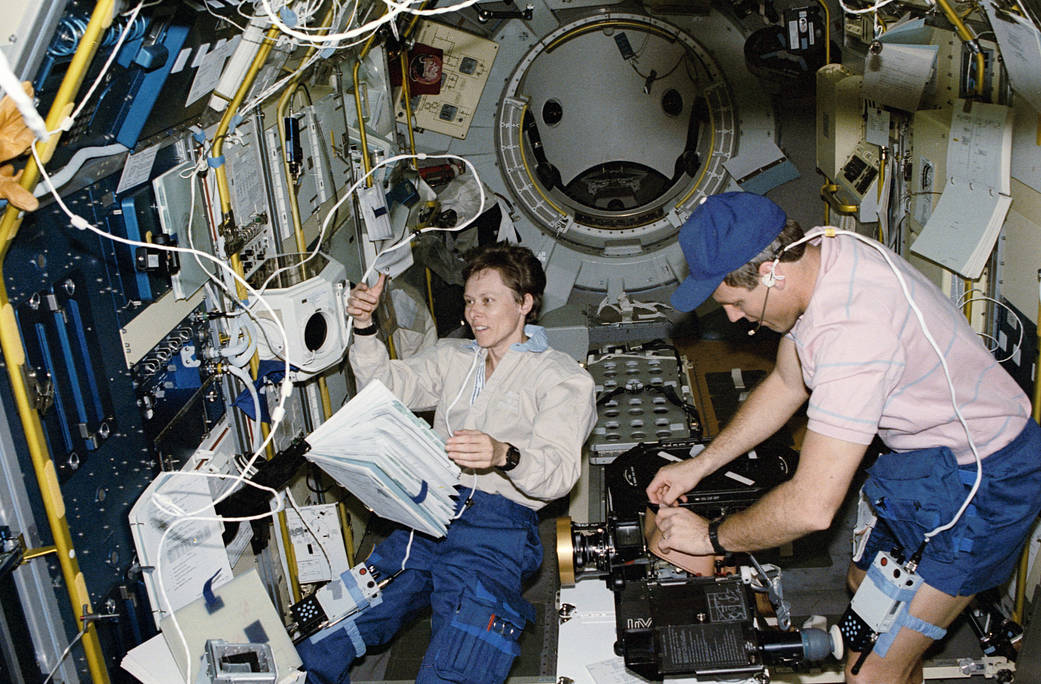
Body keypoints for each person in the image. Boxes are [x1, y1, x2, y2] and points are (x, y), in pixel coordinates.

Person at [646, 192, 1041, 683]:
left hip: (988, 481)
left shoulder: (854, 334)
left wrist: (711, 537)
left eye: (737, 303)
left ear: (770, 272)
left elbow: (812, 507)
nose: (732, 318)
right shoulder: (824, 253)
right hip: (925, 461)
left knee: (869, 672)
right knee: (864, 587)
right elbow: (788, 384)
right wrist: (698, 464)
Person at [298, 242, 597, 683]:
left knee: (457, 668)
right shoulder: (455, 359)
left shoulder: (563, 378)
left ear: (525, 304)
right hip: (426, 513)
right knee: (328, 632)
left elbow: (558, 474)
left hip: (496, 531)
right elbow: (385, 387)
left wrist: (504, 454)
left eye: (489, 301)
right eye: (471, 302)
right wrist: (364, 326)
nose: (475, 314)